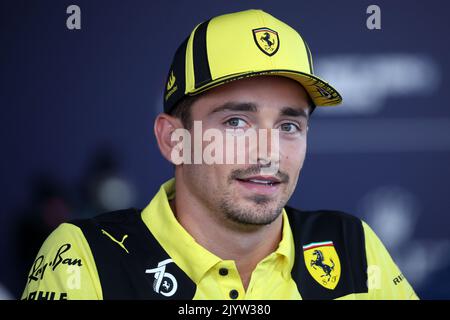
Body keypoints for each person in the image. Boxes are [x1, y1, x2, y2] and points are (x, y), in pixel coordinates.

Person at [22, 9, 418, 300]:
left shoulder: (351, 244)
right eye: (235, 122)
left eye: (289, 126)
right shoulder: (88, 256)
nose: (269, 152)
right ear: (173, 140)